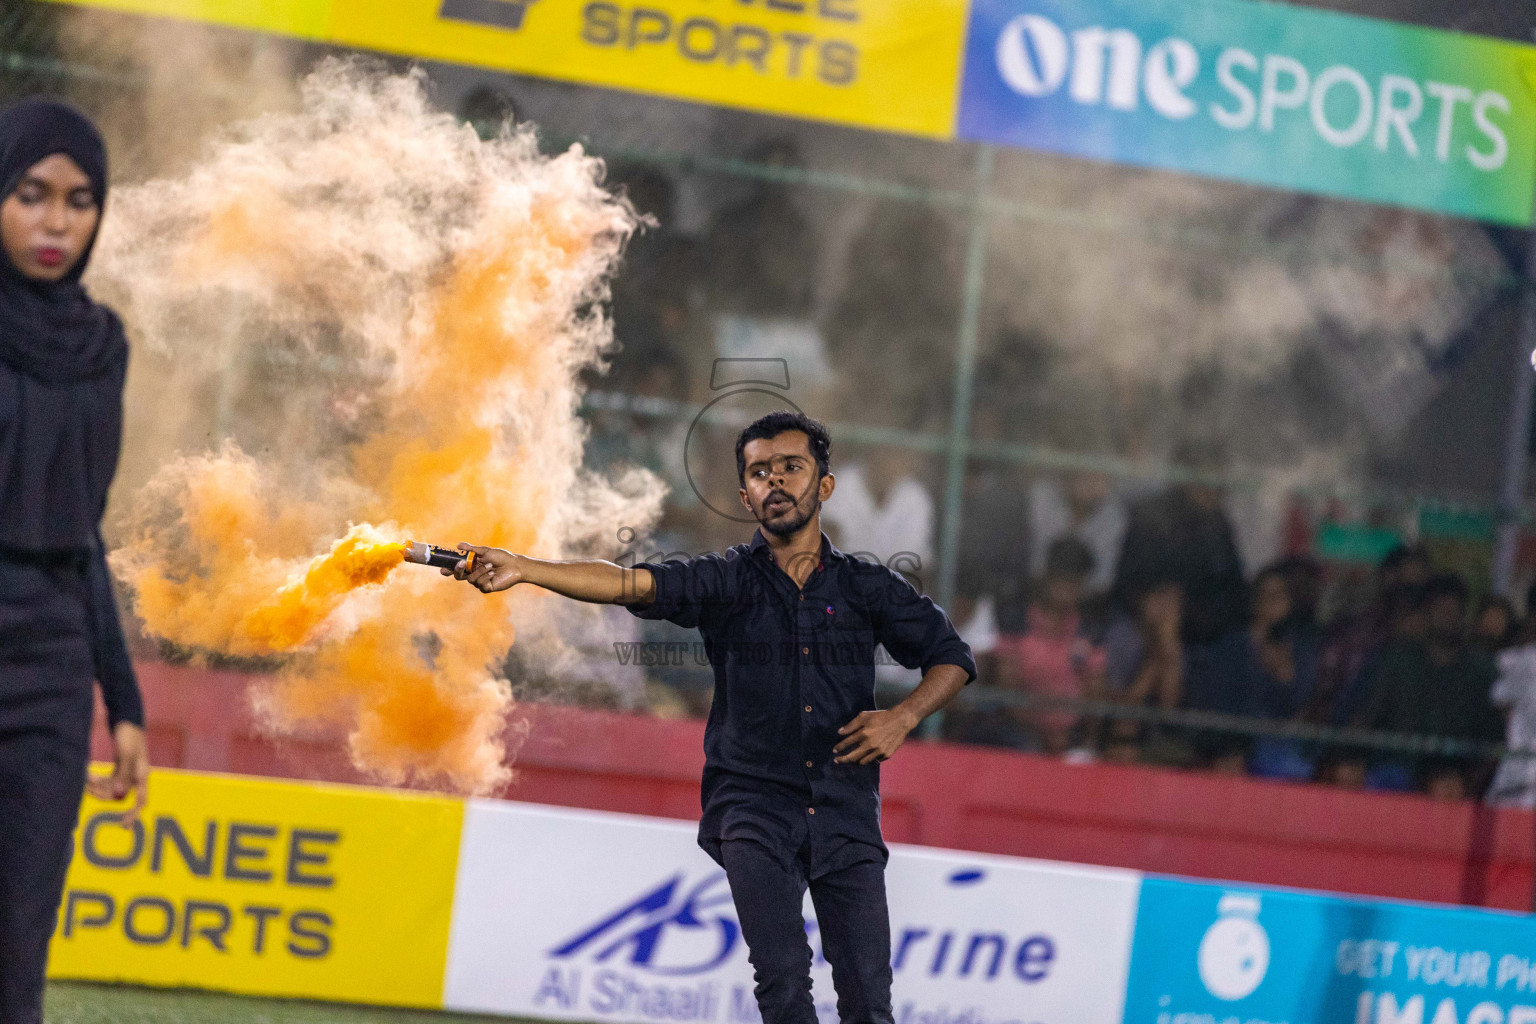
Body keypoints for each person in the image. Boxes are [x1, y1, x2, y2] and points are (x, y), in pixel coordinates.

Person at [449, 411, 974, 1024]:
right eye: (759, 472)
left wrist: (903, 717)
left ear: (824, 486)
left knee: (869, 1006)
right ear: (746, 495)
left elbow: (952, 657)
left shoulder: (868, 587)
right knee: (783, 990)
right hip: (751, 809)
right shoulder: (723, 579)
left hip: (845, 812)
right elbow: (627, 583)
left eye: (791, 467)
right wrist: (525, 567)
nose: (775, 481)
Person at [0, 98, 148, 1024]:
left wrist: (122, 700)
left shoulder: (102, 347)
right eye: (31, 194)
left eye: (80, 200)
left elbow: (84, 528)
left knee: (19, 942)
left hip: (49, 668)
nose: (58, 222)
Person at [1357, 575, 1502, 799]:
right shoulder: (1398, 660)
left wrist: (1470, 783)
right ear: (1427, 612)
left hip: (1456, 778)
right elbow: (1370, 717)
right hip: (1396, 770)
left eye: (1455, 610)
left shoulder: (1482, 670)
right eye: (1441, 609)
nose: (1448, 617)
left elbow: (1494, 739)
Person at [991, 537, 1106, 755]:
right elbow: (1006, 690)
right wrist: (1042, 734)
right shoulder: (1016, 620)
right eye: (1062, 579)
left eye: (1075, 582)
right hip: (1021, 731)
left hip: (1071, 736)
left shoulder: (1090, 631)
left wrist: (1085, 741)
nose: (1068, 589)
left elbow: (1094, 695)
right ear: (1047, 577)